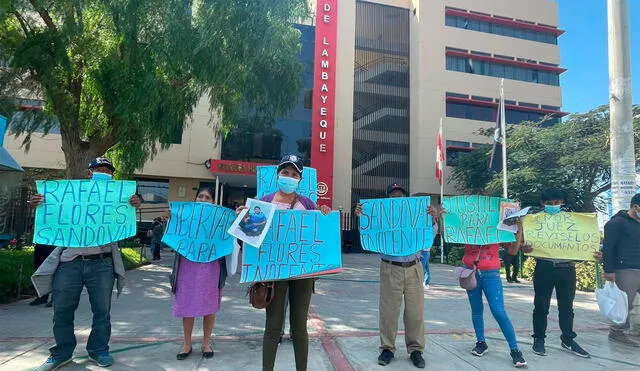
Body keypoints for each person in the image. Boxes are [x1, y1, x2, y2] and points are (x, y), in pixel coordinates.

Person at [31, 157, 142, 371]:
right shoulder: (70, 196)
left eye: (107, 170)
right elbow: (52, 214)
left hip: (102, 264)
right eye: (98, 169)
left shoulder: (118, 198)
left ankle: (99, 350)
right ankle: (61, 353)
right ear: (88, 173)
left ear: (112, 176)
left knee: (102, 311)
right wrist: (40, 204)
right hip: (69, 263)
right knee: (62, 310)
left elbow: (124, 223)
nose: (103, 172)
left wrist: (133, 205)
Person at [236, 154, 331, 371]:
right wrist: (243, 219)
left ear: (300, 179)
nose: (288, 177)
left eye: (294, 174)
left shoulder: (307, 204)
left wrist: (324, 213)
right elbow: (249, 239)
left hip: (302, 274)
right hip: (273, 274)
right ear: (278, 174)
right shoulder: (264, 202)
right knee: (273, 327)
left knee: (299, 327)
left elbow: (320, 235)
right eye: (285, 172)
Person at [354, 184, 433, 369]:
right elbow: (369, 232)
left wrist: (432, 217)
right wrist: (361, 217)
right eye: (393, 194)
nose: (397, 197)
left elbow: (430, 235)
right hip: (390, 267)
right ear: (388, 198)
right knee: (389, 312)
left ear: (405, 198)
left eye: (400, 194)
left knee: (415, 312)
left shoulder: (417, 215)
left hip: (414, 267)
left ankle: (415, 350)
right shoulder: (382, 217)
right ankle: (387, 348)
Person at [445, 207, 527, 368]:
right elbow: (448, 232)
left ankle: (515, 349)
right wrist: (444, 217)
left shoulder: (497, 231)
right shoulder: (467, 229)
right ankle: (481, 342)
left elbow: (513, 250)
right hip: (471, 272)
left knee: (498, 311)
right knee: (476, 310)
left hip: (491, 274)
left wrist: (519, 230)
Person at [521, 188, 590, 357]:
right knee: (541, 305)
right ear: (542, 204)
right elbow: (524, 246)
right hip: (544, 266)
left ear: (562, 203)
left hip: (567, 268)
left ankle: (567, 339)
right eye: (549, 203)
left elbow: (585, 242)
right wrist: (526, 248)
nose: (553, 206)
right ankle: (539, 339)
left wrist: (593, 252)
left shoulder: (573, 221)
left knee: (567, 307)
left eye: (557, 203)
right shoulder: (534, 221)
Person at [172, 186, 229, 360]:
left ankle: (206, 343)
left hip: (211, 267)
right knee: (187, 306)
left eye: (207, 197)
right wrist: (171, 219)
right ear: (195, 199)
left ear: (213, 202)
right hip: (187, 267)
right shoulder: (184, 218)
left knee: (209, 307)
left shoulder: (220, 221)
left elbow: (232, 237)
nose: (203, 200)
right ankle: (187, 344)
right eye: (200, 196)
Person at [602, 193, 640, 347]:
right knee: (625, 302)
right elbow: (608, 248)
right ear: (636, 207)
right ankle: (617, 332)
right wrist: (609, 270)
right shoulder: (616, 223)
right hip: (626, 268)